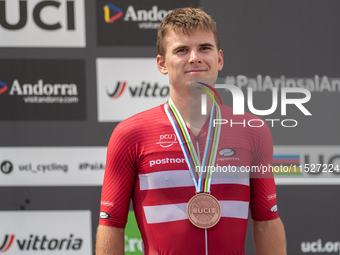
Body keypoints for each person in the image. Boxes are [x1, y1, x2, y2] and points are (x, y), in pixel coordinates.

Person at [96, 7, 286, 255]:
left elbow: (266, 221)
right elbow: (112, 225)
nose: (195, 57)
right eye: (182, 50)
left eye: (204, 48)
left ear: (219, 59)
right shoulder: (131, 133)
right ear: (162, 64)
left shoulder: (252, 131)